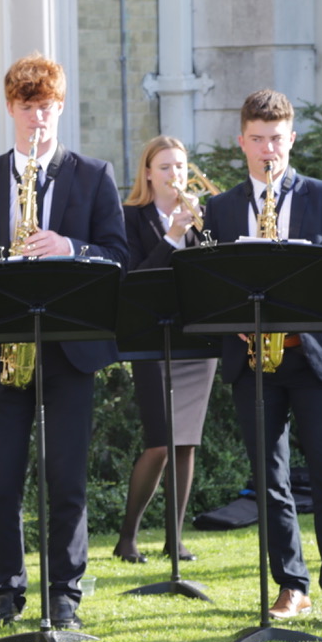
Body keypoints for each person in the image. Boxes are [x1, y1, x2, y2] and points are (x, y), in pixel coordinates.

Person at [0, 53, 128, 631]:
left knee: (66, 476)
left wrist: (69, 247)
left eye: (46, 107)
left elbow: (119, 257)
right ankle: (5, 591)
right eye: (26, 108)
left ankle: (64, 594)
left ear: (60, 107)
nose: (36, 119)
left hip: (69, 349)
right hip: (3, 348)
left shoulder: (93, 175)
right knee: (1, 478)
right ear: (10, 109)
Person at [202, 88, 322, 626]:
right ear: (241, 142)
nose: (267, 149)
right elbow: (206, 284)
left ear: (292, 138)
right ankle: (291, 584)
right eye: (257, 139)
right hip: (253, 361)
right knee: (268, 477)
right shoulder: (223, 207)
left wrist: (307, 258)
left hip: (314, 356)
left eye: (276, 138)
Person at [112, 135, 217, 564]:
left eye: (181, 166)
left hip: (195, 339)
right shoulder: (129, 218)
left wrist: (199, 234)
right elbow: (133, 280)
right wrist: (172, 237)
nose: (175, 175)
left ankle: (174, 539)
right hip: (151, 339)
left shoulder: (200, 216)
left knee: (186, 443)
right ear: (148, 174)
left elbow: (214, 271)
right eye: (166, 167)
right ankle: (127, 537)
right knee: (160, 442)